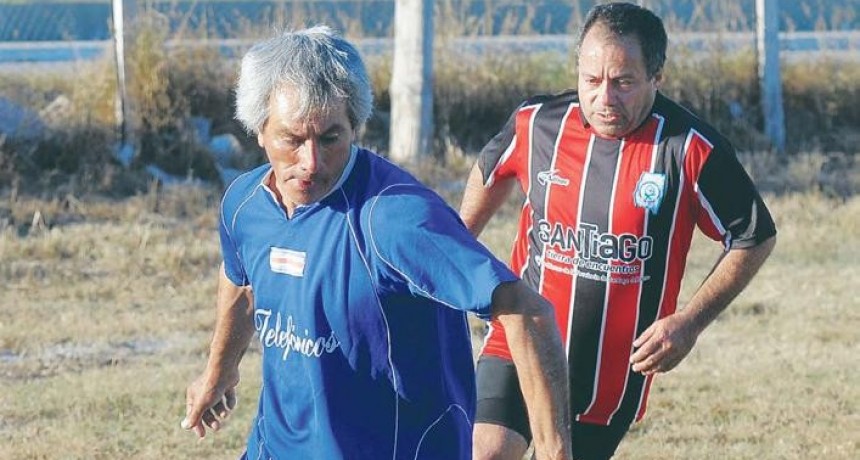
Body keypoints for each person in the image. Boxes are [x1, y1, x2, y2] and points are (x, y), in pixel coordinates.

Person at [180, 25, 572, 460]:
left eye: (330, 138)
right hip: (275, 447)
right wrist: (218, 371)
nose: (311, 162)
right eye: (292, 140)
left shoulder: (397, 218)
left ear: (355, 127)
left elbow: (526, 310)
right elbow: (241, 281)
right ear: (258, 129)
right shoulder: (245, 204)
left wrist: (554, 451)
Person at [460, 3, 777, 460]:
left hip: (611, 371)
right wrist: (456, 254)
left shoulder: (690, 148)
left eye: (623, 82)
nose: (604, 97)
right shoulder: (537, 124)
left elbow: (754, 236)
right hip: (521, 340)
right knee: (485, 452)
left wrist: (689, 322)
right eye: (591, 80)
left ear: (656, 76)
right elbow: (489, 172)